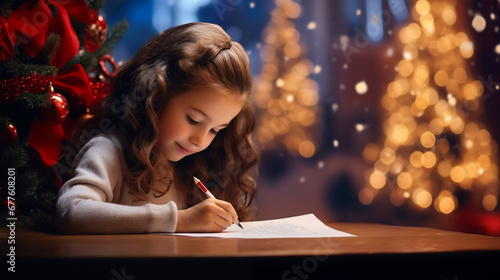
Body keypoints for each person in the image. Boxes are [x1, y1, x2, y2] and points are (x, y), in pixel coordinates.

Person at [56, 22, 259, 234]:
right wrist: (180, 220)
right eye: (193, 119)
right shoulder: (109, 151)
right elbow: (71, 211)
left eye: (215, 130)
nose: (200, 140)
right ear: (156, 94)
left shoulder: (191, 166)